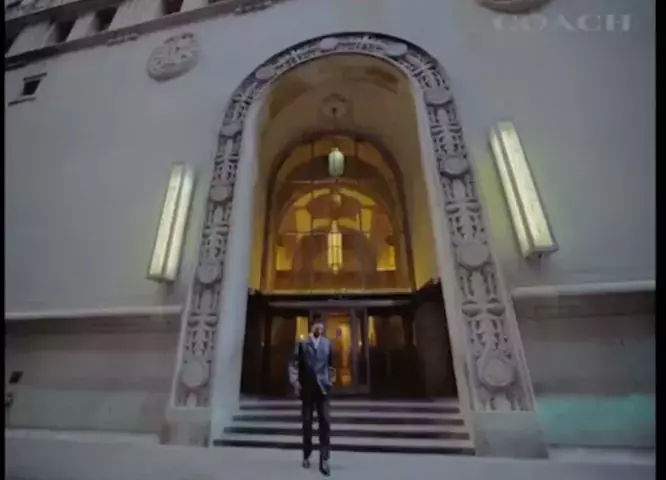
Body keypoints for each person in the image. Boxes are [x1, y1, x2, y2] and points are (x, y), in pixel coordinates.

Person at [288, 322, 335, 476]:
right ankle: (306, 455)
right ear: (312, 329)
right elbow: (294, 364)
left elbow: (331, 365)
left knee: (325, 423)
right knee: (307, 423)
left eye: (321, 328)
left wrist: (330, 381)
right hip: (307, 389)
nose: (319, 329)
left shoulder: (327, 344)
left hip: (323, 389)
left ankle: (324, 458)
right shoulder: (302, 344)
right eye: (316, 327)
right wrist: (295, 382)